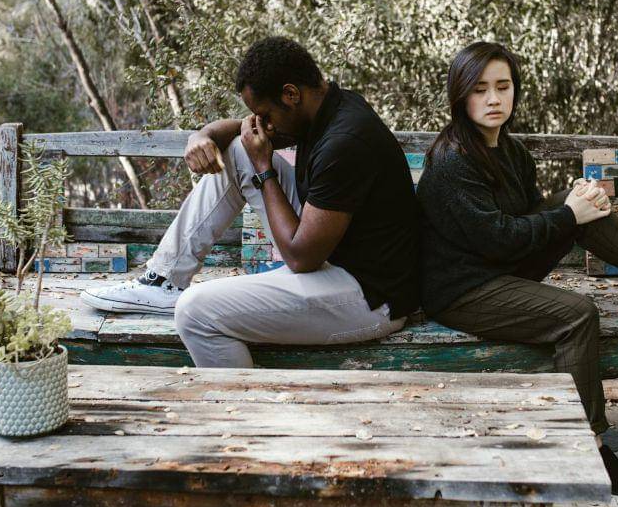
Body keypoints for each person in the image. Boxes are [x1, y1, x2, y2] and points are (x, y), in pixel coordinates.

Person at [416, 41, 618, 498]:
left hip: (497, 268)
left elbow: (528, 216)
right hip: (462, 289)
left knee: (580, 207)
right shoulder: (453, 161)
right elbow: (498, 238)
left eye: (503, 87)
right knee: (577, 314)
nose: (493, 99)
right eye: (479, 89)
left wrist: (576, 206)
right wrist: (569, 214)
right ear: (460, 95)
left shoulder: (510, 151)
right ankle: (592, 447)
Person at [81, 36, 420, 367]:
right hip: (331, 255)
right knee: (240, 149)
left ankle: (247, 401)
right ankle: (164, 279)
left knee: (195, 312)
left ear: (291, 94)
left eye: (265, 114)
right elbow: (242, 131)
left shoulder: (346, 142)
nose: (263, 124)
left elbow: (301, 259)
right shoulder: (325, 106)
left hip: (370, 298)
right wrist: (203, 136)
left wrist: (264, 169)